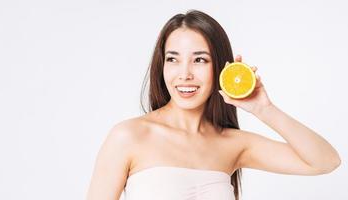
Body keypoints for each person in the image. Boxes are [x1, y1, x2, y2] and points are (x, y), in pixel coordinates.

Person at [85, 9, 341, 200]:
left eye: (200, 60)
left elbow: (325, 161)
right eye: (173, 59)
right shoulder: (129, 136)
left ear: (219, 66)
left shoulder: (234, 144)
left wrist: (264, 109)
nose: (184, 74)